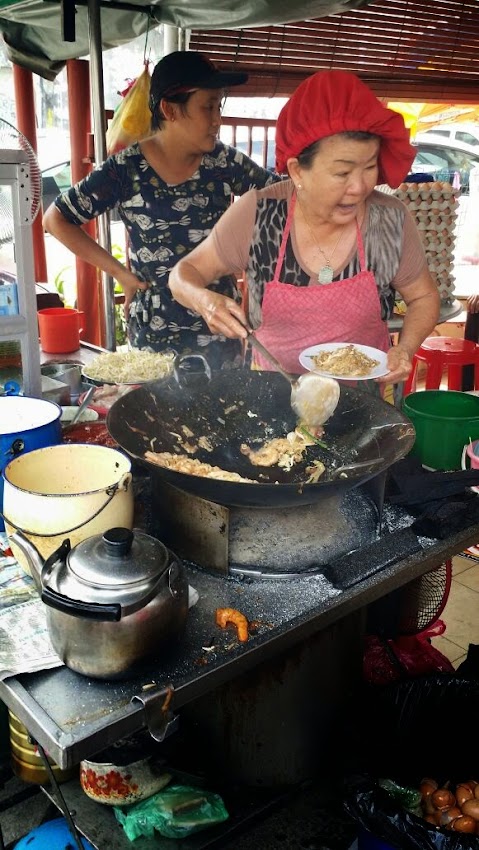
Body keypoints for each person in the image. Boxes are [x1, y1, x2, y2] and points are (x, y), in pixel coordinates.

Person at [168, 69, 441, 387]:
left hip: (367, 399)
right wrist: (204, 301)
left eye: (369, 167)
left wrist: (405, 349)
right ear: (297, 171)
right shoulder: (259, 215)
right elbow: (182, 275)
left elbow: (424, 296)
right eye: (342, 173)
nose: (359, 187)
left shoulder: (388, 220)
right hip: (273, 393)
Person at [43, 51, 280, 369]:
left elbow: (284, 196)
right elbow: (56, 219)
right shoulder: (126, 169)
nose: (217, 120)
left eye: (218, 107)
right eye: (207, 107)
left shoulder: (225, 163)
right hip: (154, 334)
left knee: (228, 401)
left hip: (218, 330)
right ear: (170, 109)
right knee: (152, 401)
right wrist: (121, 275)